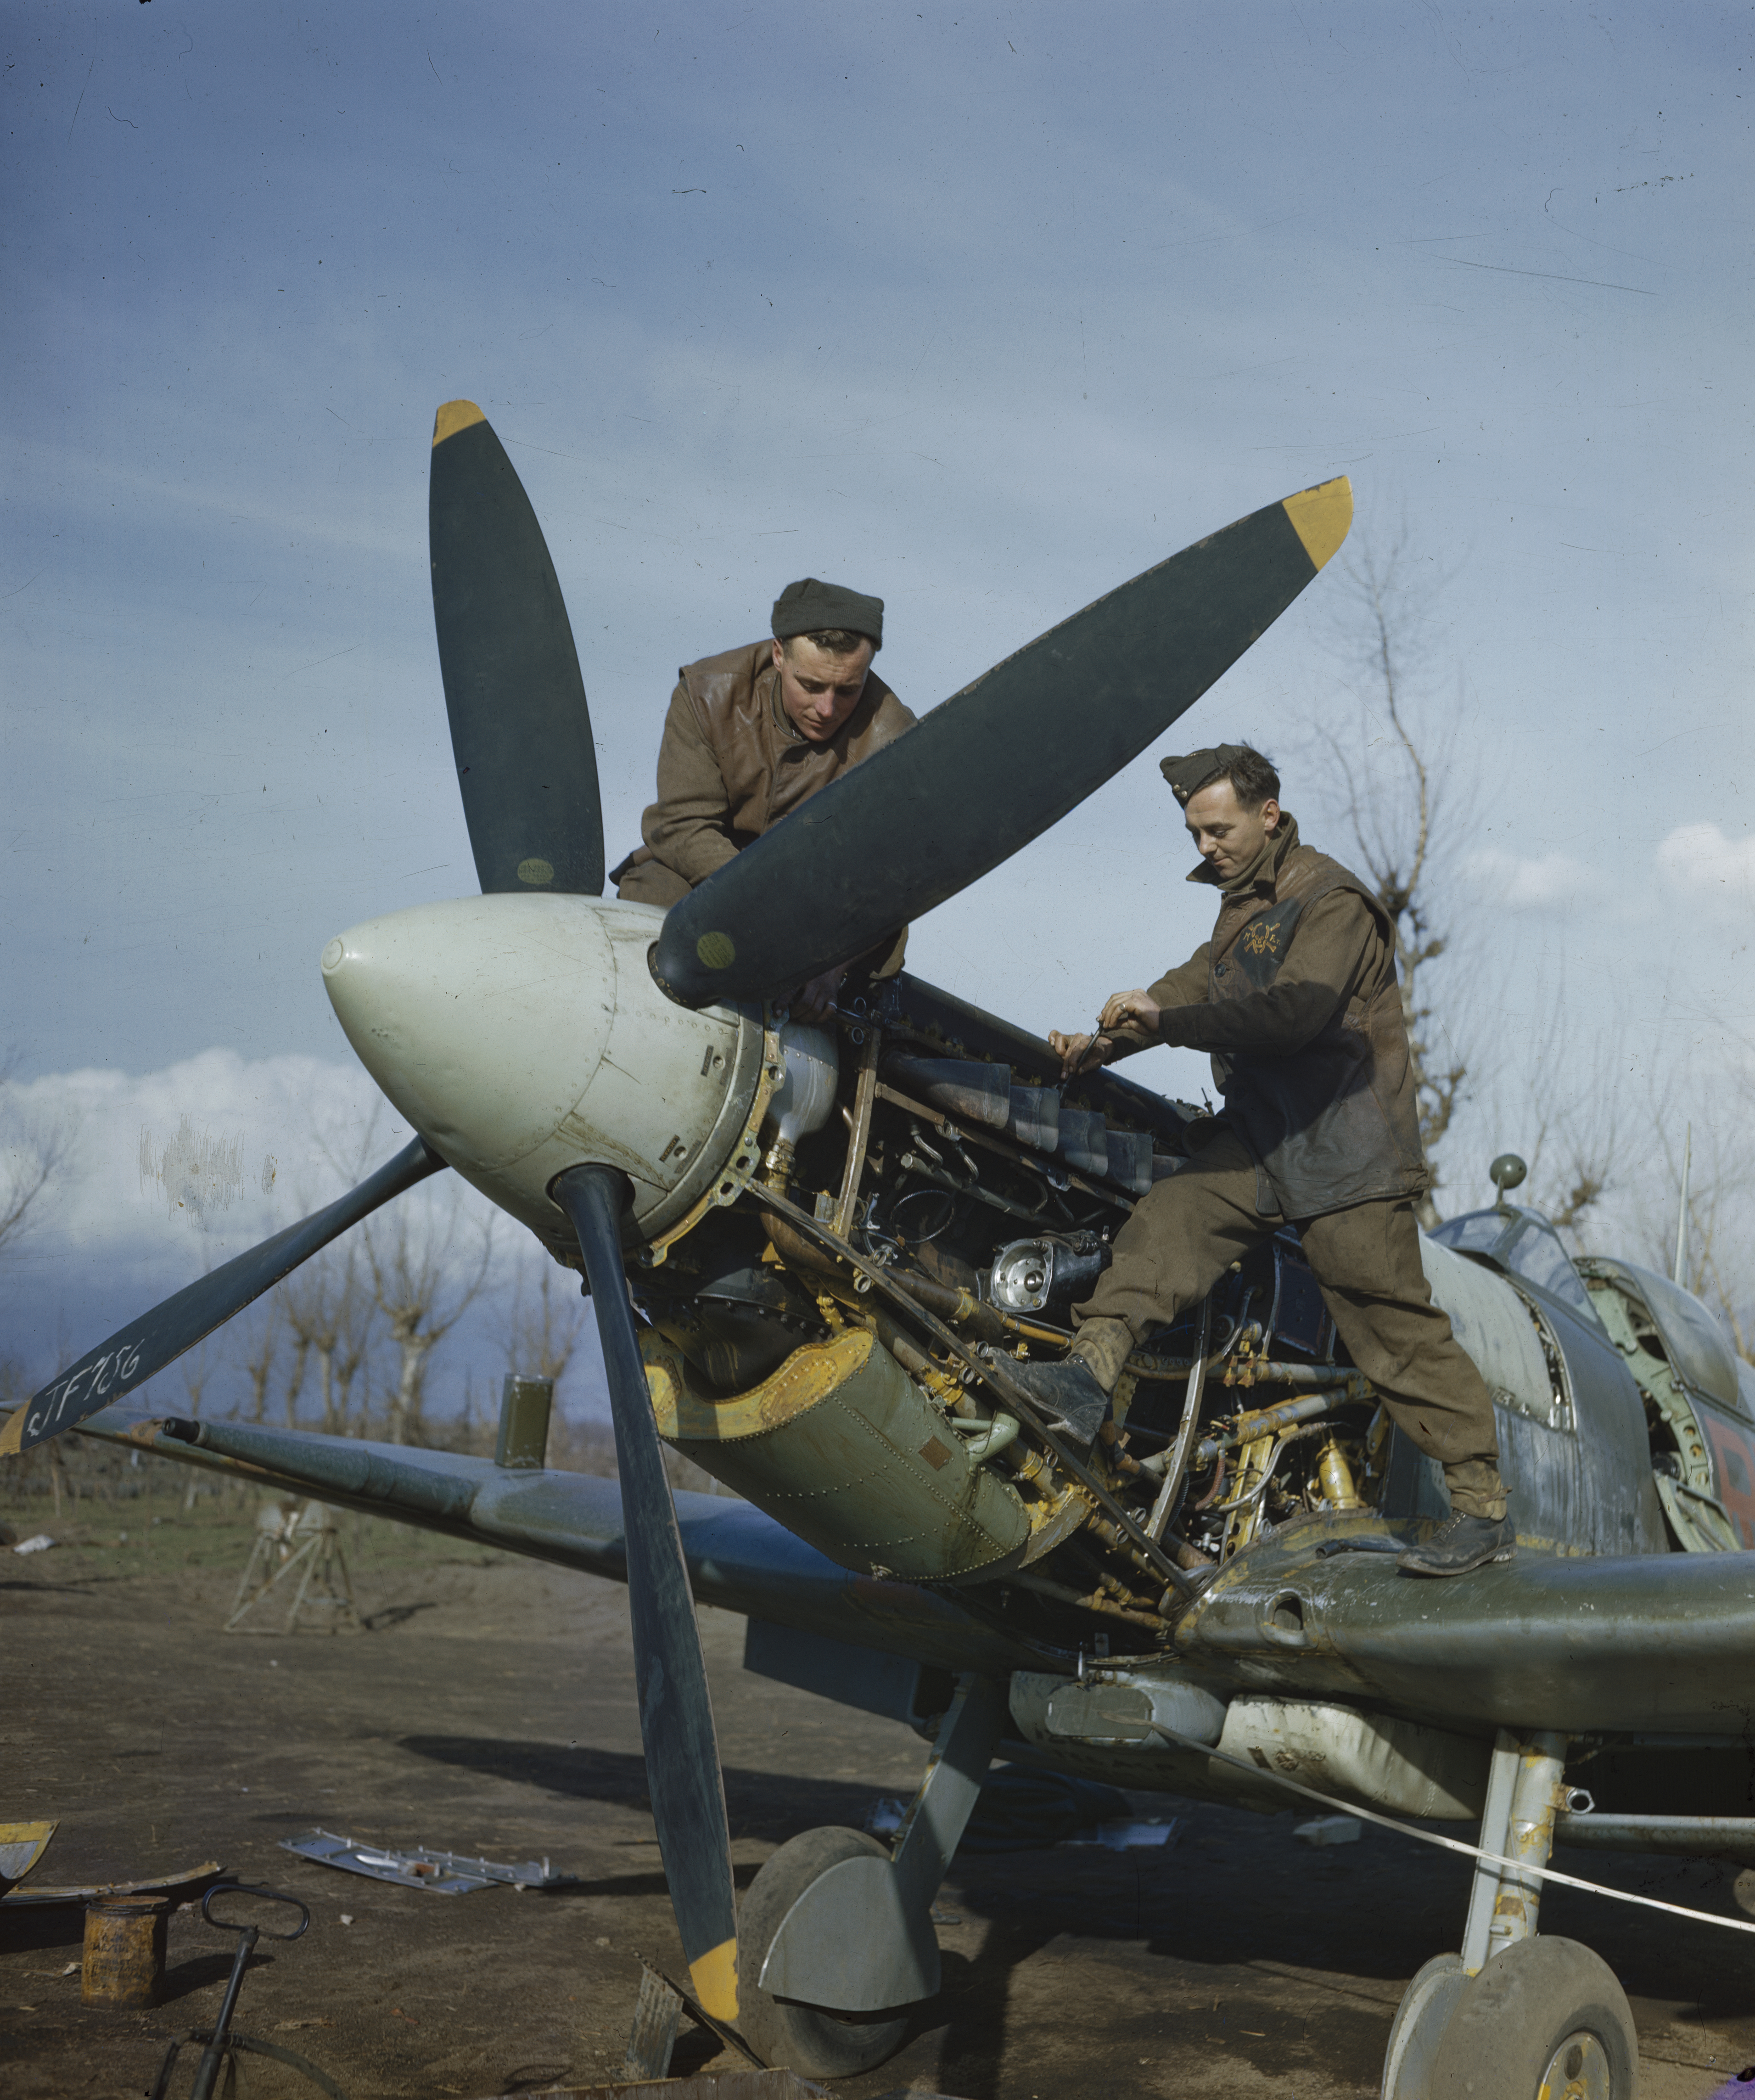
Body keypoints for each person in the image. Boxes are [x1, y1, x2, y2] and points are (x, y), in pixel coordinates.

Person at [1011, 741, 1513, 1580]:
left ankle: (1480, 1506)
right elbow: (1189, 982)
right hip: (1262, 1134)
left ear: (1267, 814)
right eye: (1192, 832)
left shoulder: (1333, 900)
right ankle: (1082, 1375)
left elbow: (1291, 1016)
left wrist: (1163, 1024)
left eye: (1216, 828)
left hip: (1345, 1144)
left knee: (1386, 1321)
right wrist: (1101, 1044)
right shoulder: (1244, 904)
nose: (1202, 846)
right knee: (1166, 1225)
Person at [612, 577, 915, 1020]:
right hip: (708, 880)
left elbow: (898, 878)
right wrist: (767, 915)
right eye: (810, 686)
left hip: (829, 921)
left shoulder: (896, 740)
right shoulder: (705, 694)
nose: (827, 709)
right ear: (778, 656)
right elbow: (684, 825)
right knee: (646, 918)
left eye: (847, 690)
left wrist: (832, 966)